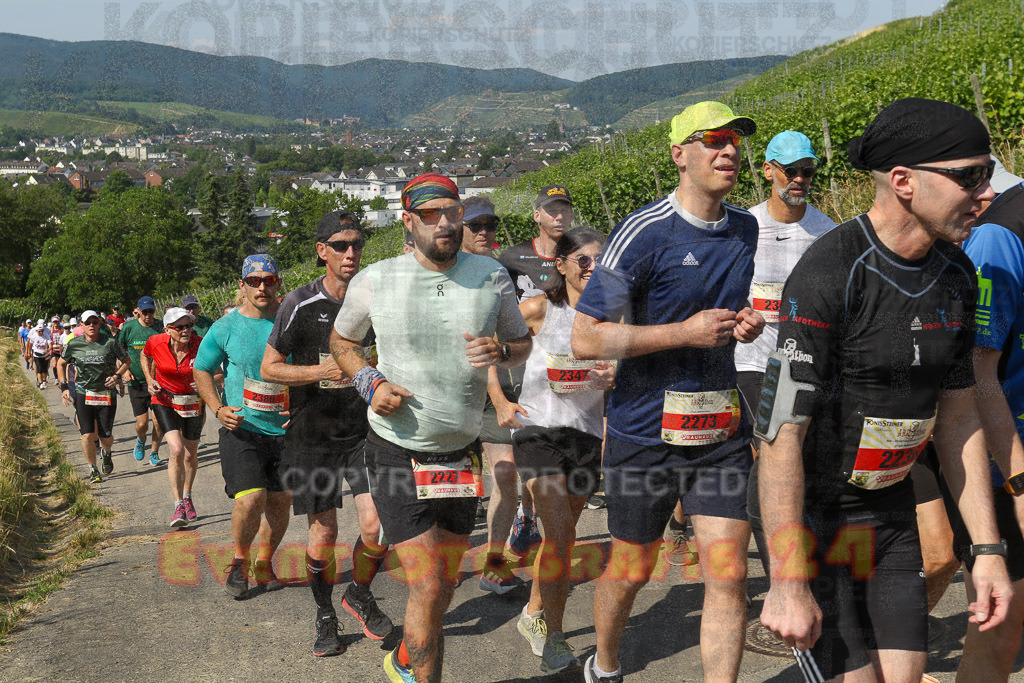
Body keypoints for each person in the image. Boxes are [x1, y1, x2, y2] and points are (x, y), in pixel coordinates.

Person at [756, 98, 1014, 682]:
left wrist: (988, 551)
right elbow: (779, 432)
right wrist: (788, 581)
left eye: (988, 174)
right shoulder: (829, 271)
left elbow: (959, 419)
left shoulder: (957, 274)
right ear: (903, 181)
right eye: (969, 177)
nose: (986, 192)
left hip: (890, 512)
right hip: (817, 519)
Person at [571, 100, 765, 683]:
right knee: (632, 568)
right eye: (713, 139)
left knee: (729, 575)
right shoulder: (643, 232)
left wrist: (744, 321)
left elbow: (722, 308)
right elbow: (586, 337)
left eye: (735, 140)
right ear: (680, 154)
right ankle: (606, 664)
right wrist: (684, 332)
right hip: (643, 434)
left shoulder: (745, 228)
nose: (728, 150)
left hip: (719, 432)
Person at [330, 173, 532, 682]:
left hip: (461, 453)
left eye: (452, 212)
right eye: (429, 214)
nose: (444, 223)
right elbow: (342, 343)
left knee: (445, 583)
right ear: (408, 221)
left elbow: (521, 344)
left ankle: (404, 659)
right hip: (397, 450)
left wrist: (503, 351)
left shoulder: (491, 275)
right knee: (427, 584)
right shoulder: (377, 278)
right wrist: (370, 382)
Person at [260, 210, 394, 657]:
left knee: (376, 525)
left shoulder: (374, 300)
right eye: (340, 245)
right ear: (322, 251)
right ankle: (324, 613)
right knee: (324, 532)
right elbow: (269, 367)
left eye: (357, 244)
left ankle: (359, 592)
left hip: (363, 431)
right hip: (312, 435)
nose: (350, 253)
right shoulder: (300, 303)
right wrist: (321, 371)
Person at [513, 227, 614, 674]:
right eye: (583, 260)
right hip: (537, 433)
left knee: (564, 536)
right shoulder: (539, 309)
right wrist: (499, 400)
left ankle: (533, 611)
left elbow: (624, 375)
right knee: (558, 535)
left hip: (585, 437)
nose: (592, 268)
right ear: (561, 265)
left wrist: (614, 378)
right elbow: (489, 348)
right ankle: (555, 638)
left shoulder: (612, 319)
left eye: (600, 260)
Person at [736, 130, 835, 580]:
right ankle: (782, 574)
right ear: (767, 170)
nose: (799, 179)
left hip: (807, 364)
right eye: (790, 170)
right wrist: (740, 315)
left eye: (807, 171)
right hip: (754, 361)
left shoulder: (826, 231)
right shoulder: (745, 226)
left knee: (802, 459)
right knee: (771, 447)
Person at [955, 165, 1024, 680]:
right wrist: (1018, 481)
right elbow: (976, 369)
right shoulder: (998, 234)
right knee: (1003, 621)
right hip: (1002, 451)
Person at [194, 254, 292, 600]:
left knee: (280, 502)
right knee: (252, 499)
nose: (262, 287)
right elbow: (201, 369)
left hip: (285, 430)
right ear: (242, 285)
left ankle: (264, 564)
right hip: (242, 428)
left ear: (278, 283)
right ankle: (239, 561)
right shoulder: (226, 327)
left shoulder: (291, 320)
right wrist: (217, 408)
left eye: (269, 280)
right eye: (254, 281)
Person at [498, 185, 575, 555]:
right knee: (530, 447)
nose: (559, 216)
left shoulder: (579, 255)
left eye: (564, 210)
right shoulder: (512, 259)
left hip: (569, 365)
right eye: (551, 210)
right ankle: (527, 514)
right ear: (537, 215)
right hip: (525, 366)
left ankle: (541, 517)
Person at [460, 196, 527, 594]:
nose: (485, 232)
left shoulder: (500, 272)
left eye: (490, 225)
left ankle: (494, 565)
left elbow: (502, 337)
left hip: (491, 388)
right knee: (449, 486)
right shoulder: (443, 272)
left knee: (505, 473)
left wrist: (502, 395)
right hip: (451, 393)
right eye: (476, 225)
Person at [141, 307, 204, 528]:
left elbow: (218, 371)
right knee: (176, 449)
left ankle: (187, 496)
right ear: (168, 329)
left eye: (189, 326)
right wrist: (149, 379)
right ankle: (178, 505)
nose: (186, 330)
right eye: (180, 327)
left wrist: (206, 382)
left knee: (190, 454)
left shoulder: (200, 344)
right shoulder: (156, 342)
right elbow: (144, 355)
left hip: (192, 401)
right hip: (165, 399)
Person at [56, 310, 130, 483]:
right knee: (87, 435)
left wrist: (117, 377)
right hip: (84, 393)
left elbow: (127, 361)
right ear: (81, 325)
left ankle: (107, 452)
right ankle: (93, 469)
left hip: (106, 393)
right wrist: (64, 387)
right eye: (87, 323)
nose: (91, 325)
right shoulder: (74, 344)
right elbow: (60, 363)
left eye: (95, 322)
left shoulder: (110, 342)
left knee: (106, 437)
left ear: (99, 324)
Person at [118, 297, 166, 466]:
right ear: (138, 311)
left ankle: (154, 452)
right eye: (144, 312)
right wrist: (125, 371)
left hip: (157, 382)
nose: (148, 315)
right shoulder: (129, 327)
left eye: (151, 311)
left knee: (159, 422)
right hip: (136, 382)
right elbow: (119, 350)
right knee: (142, 423)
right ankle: (140, 439)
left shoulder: (160, 326)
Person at [27, 319, 52, 389]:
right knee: (39, 369)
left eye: (42, 331)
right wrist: (28, 352)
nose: (41, 332)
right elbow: (30, 344)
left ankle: (44, 381)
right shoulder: (34, 335)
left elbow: (50, 344)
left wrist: (48, 349)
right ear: (36, 331)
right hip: (37, 355)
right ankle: (40, 383)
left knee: (45, 369)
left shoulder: (46, 334)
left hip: (45, 355)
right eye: (39, 331)